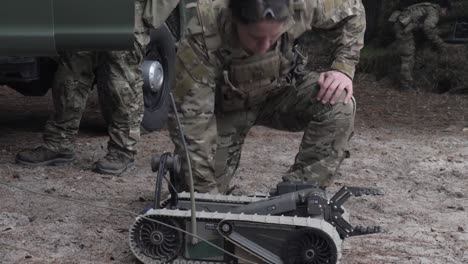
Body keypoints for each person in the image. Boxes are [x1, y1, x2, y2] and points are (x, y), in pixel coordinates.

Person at [168, 0, 365, 193]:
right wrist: (205, 195)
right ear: (235, 20)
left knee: (339, 102)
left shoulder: (301, 5)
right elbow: (191, 120)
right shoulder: (204, 32)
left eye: (273, 38)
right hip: (226, 110)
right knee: (197, 195)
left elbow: (352, 10)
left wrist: (343, 67)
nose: (264, 46)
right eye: (255, 37)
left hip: (280, 93)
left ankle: (300, 194)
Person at [15, 0, 178, 175]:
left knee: (121, 83)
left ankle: (122, 150)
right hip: (86, 10)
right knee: (70, 75)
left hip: (127, 11)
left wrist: (152, 14)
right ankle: (59, 143)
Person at [390, 0, 451, 90]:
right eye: (446, 12)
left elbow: (420, 24)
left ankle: (407, 82)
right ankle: (406, 85)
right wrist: (441, 44)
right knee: (408, 56)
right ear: (444, 9)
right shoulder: (434, 12)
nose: (445, 15)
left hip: (401, 23)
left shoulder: (429, 7)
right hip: (402, 27)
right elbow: (428, 28)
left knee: (409, 53)